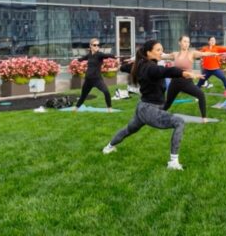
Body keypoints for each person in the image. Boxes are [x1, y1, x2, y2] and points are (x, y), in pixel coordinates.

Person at [103, 40, 203, 170]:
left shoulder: (141, 65)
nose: (161, 52)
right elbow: (165, 71)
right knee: (179, 122)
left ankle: (108, 147)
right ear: (149, 53)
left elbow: (127, 68)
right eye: (158, 50)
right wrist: (184, 73)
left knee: (129, 129)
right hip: (150, 109)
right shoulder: (151, 68)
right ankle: (173, 162)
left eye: (162, 49)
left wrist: (119, 66)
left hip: (143, 108)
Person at [161, 35, 216, 123]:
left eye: (188, 42)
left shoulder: (192, 53)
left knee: (201, 94)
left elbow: (204, 54)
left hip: (186, 82)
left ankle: (204, 117)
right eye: (184, 41)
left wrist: (214, 53)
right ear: (179, 43)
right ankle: (158, 115)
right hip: (175, 82)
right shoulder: (175, 54)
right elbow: (162, 56)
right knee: (168, 103)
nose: (186, 44)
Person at [74, 38, 117, 113]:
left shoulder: (99, 54)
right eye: (95, 45)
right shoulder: (89, 55)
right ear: (90, 46)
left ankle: (109, 108)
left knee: (106, 92)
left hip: (97, 79)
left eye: (98, 45)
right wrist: (76, 60)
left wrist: (114, 56)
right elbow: (82, 59)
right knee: (83, 95)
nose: (97, 46)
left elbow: (107, 55)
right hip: (88, 80)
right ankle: (76, 108)